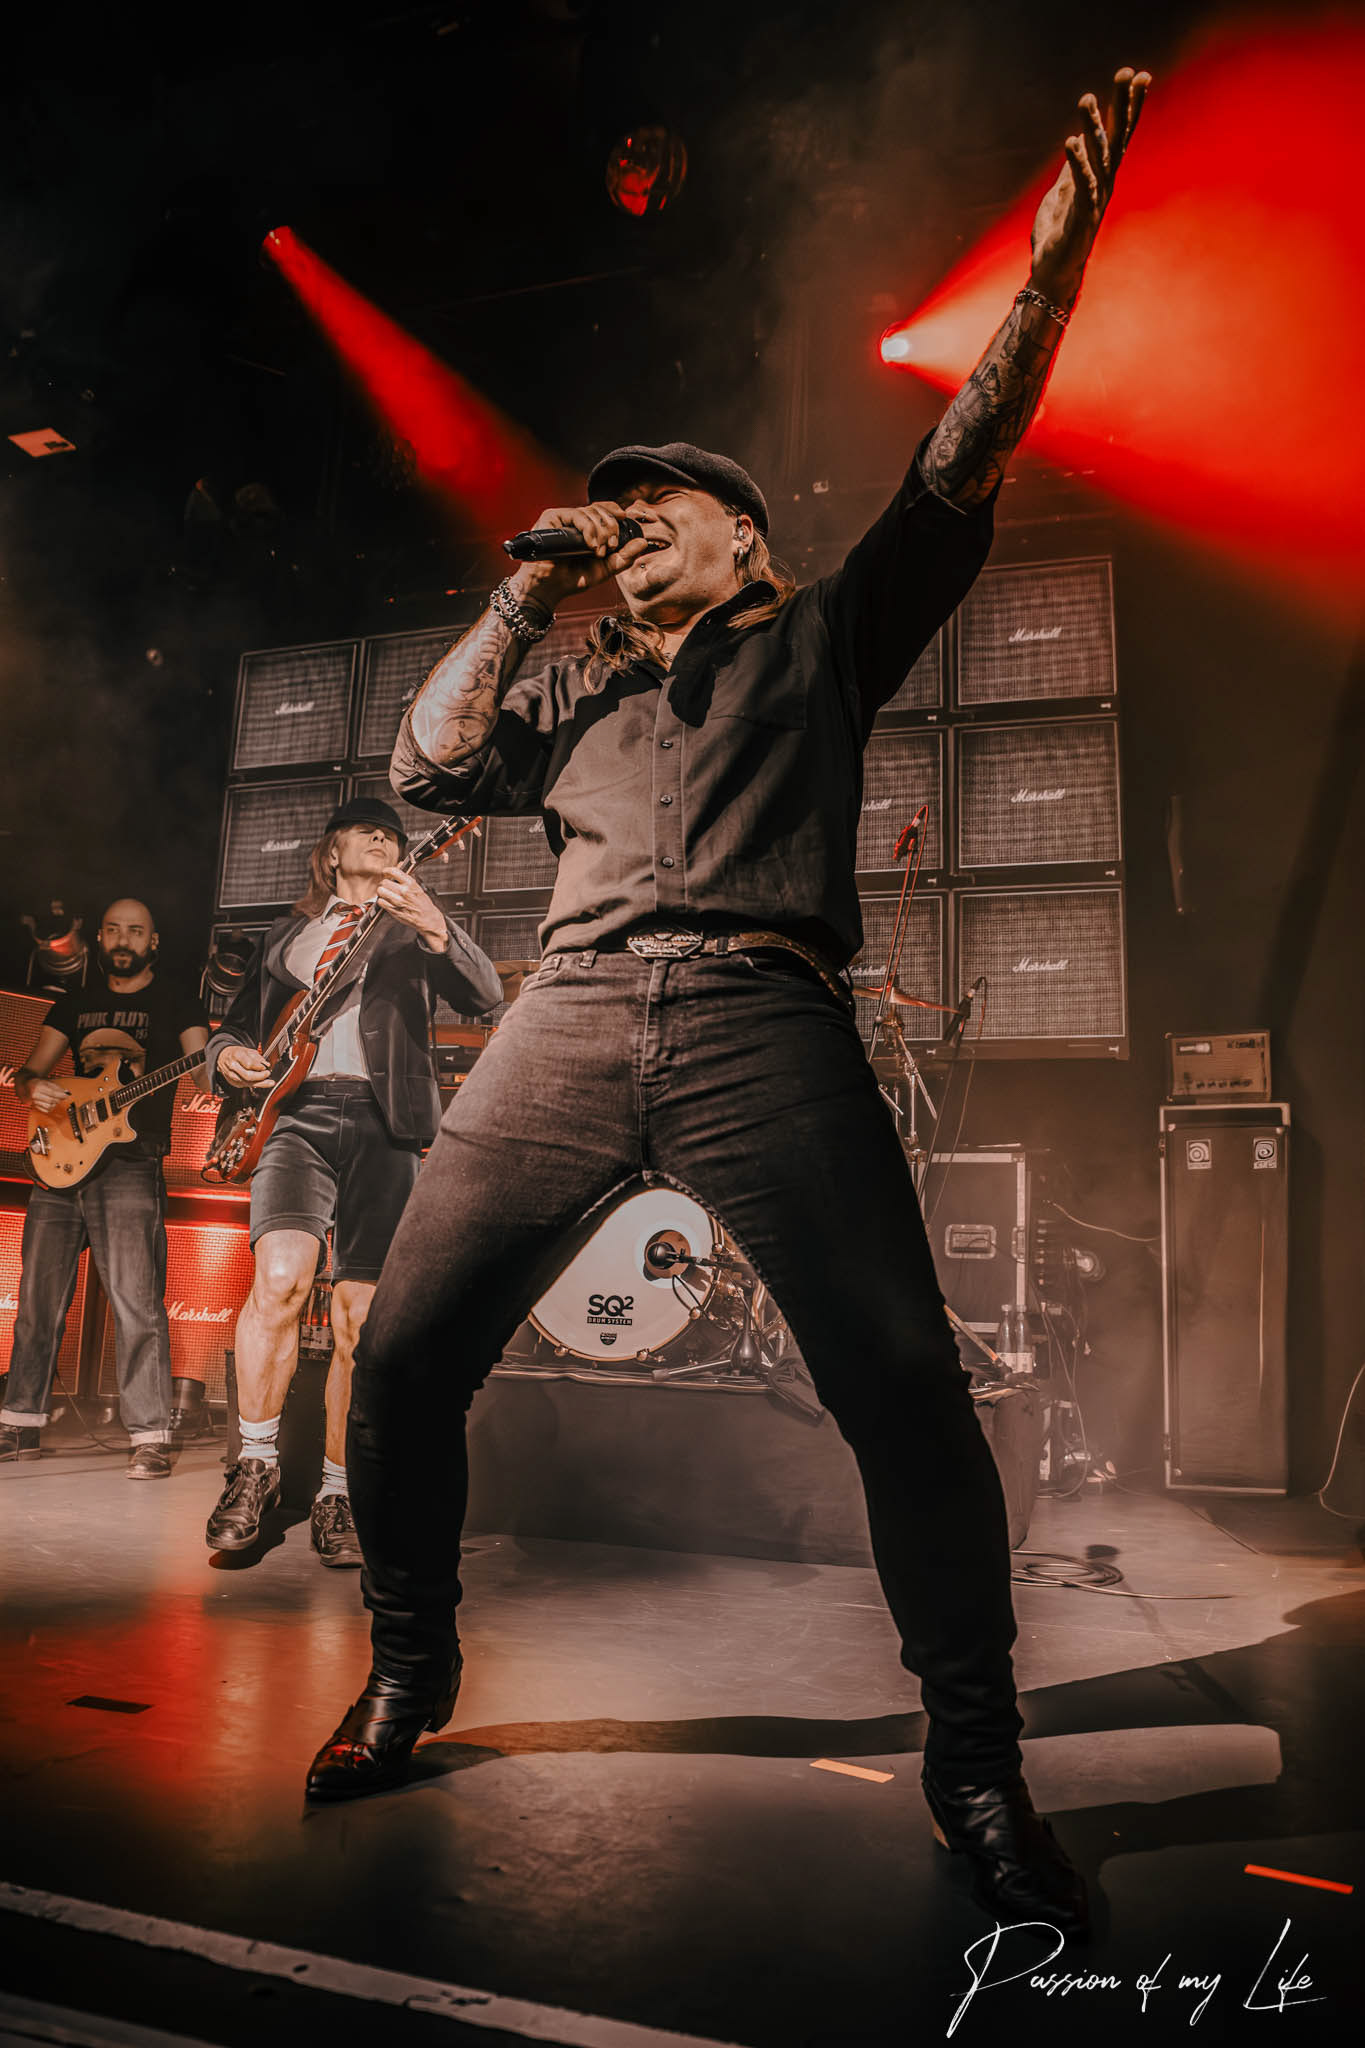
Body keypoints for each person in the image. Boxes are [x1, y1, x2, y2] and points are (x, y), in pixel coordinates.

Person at [305, 71, 1150, 1937]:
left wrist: (1046, 288)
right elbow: (427, 763)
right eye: (610, 507)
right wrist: (528, 591)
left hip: (766, 1018)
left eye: (658, 505)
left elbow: (960, 465)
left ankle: (977, 1763)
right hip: (565, 1017)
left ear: (746, 542)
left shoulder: (827, 631)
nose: (626, 520)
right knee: (410, 1353)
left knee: (905, 1384)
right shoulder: (574, 689)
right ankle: (410, 1664)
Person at [201, 798, 502, 1567]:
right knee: (278, 1283)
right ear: (330, 852)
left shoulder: (410, 929)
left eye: (392, 833)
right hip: (294, 1119)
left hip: (384, 1124)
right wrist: (225, 1056)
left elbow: (485, 997)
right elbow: (233, 1027)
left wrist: (435, 924)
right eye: (365, 829)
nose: (383, 837)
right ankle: (255, 1467)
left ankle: (339, 1491)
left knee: (358, 1317)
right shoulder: (286, 934)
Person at [1, 899, 209, 1477]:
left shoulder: (177, 1001)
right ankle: (19, 1425)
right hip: (60, 1162)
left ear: (153, 941)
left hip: (132, 1163)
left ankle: (150, 1435)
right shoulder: (74, 1003)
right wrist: (32, 1089)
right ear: (100, 937)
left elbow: (202, 1071)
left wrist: (225, 1059)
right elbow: (30, 1073)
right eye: (114, 929)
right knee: (37, 1303)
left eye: (135, 931)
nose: (124, 939)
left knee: (136, 1303)